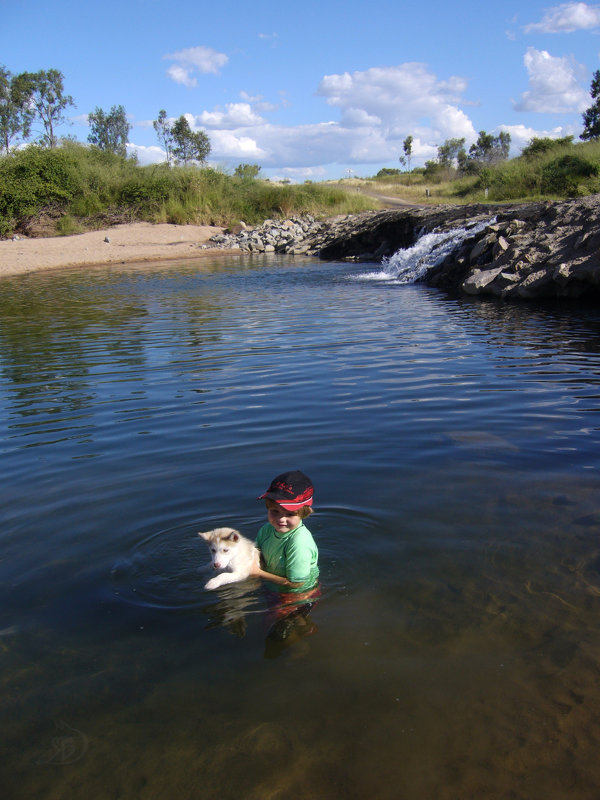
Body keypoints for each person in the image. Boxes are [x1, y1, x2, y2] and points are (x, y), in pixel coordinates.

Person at [249, 470, 320, 643]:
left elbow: (297, 582)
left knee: (275, 634)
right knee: (271, 623)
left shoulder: (299, 541)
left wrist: (256, 573)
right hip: (275, 587)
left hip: (299, 596)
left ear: (304, 513)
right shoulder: (266, 530)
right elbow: (255, 553)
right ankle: (303, 628)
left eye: (289, 514)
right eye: (275, 511)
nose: (281, 519)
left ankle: (300, 647)